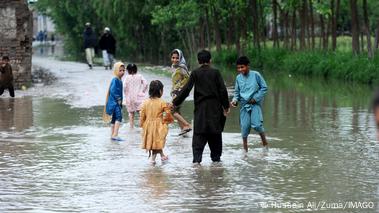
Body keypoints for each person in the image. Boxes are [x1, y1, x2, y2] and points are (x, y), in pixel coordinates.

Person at [172, 50, 230, 165]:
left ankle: (197, 165)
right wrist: (226, 106)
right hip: (215, 111)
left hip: (201, 112)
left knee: (198, 142)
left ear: (198, 61)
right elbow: (223, 90)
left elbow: (186, 89)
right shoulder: (216, 73)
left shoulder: (195, 73)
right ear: (210, 61)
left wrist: (175, 102)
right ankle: (217, 169)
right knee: (216, 146)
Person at [230, 56, 268, 154]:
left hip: (255, 104)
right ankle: (245, 151)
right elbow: (237, 93)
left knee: (257, 125)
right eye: (238, 68)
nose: (240, 70)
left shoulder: (256, 75)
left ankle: (265, 144)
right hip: (244, 105)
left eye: (242, 67)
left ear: (248, 66)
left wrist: (255, 98)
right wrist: (234, 101)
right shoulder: (238, 78)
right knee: (245, 127)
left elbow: (264, 88)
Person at [140, 80, 174, 164]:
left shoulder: (145, 102)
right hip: (159, 125)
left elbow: (142, 115)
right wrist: (166, 121)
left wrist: (142, 124)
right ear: (160, 91)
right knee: (157, 141)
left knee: (154, 142)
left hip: (148, 125)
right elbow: (167, 113)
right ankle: (153, 160)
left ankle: (162, 156)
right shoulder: (162, 102)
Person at [170, 49, 192, 136]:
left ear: (180, 58)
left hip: (180, 92)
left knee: (172, 110)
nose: (175, 60)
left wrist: (179, 89)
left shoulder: (182, 67)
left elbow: (188, 79)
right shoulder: (173, 66)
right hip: (175, 92)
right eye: (173, 58)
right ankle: (183, 129)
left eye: (177, 58)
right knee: (177, 110)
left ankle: (187, 125)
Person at [103, 62, 125, 141]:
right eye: (120, 70)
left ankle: (112, 135)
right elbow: (113, 91)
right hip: (115, 103)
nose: (122, 72)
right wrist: (118, 99)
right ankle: (115, 134)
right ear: (116, 71)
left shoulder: (119, 80)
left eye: (123, 70)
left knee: (114, 118)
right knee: (119, 117)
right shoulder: (115, 80)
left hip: (116, 102)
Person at [123, 63, 148, 128]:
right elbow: (146, 83)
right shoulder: (140, 76)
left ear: (128, 70)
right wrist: (143, 91)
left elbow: (124, 86)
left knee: (131, 113)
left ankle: (131, 127)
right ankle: (142, 126)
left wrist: (126, 94)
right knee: (140, 112)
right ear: (136, 69)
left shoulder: (127, 77)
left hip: (130, 98)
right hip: (139, 97)